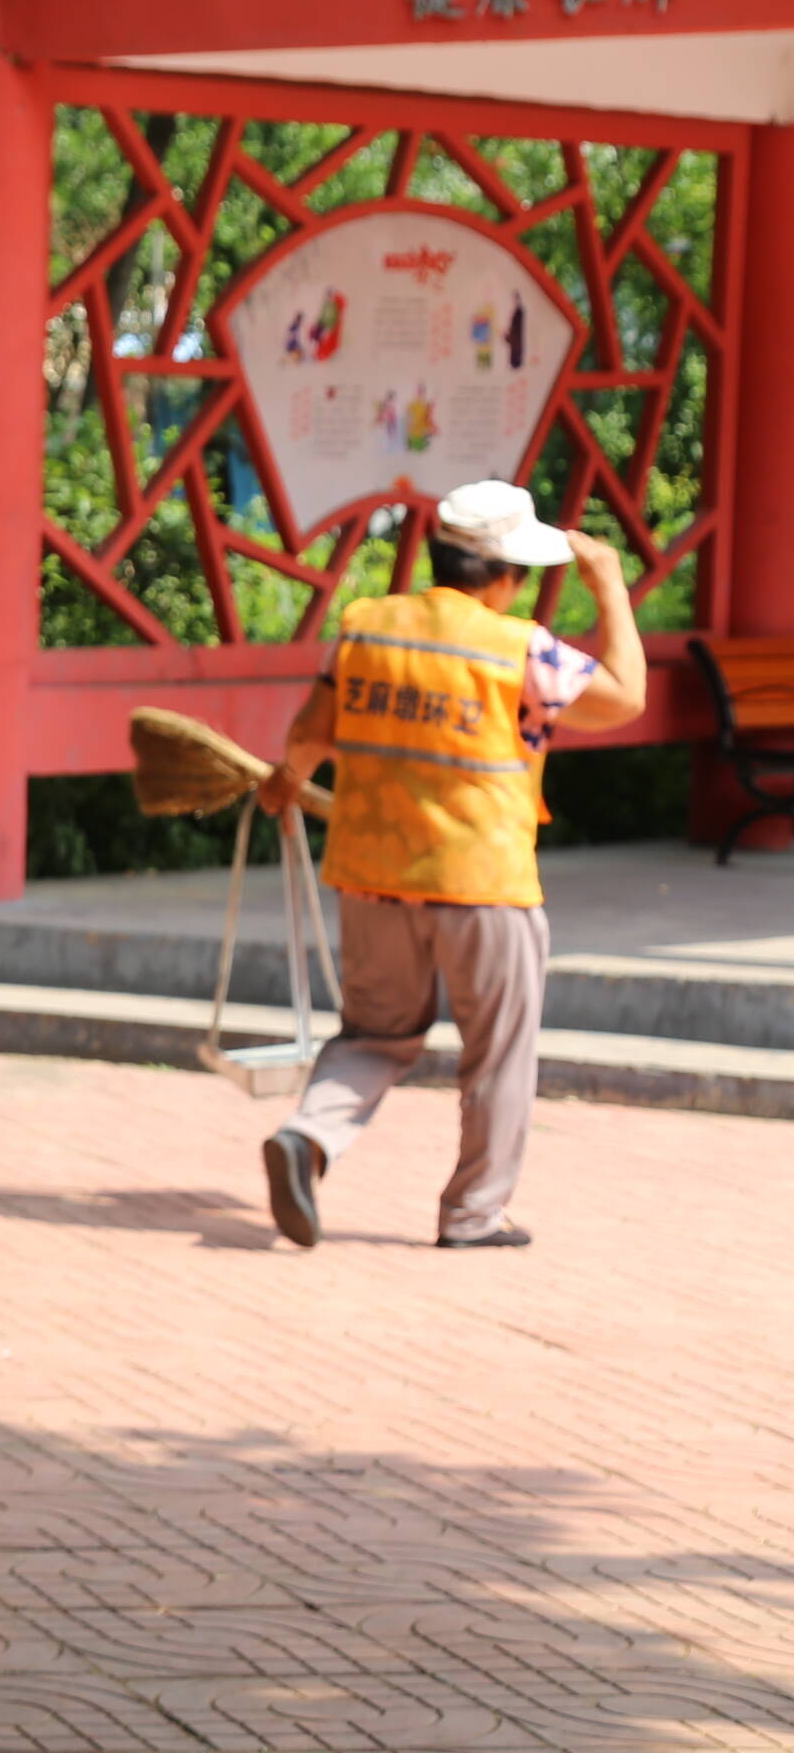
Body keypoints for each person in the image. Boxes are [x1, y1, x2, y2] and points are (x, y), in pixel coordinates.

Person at [255, 480, 647, 1250]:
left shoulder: (367, 628)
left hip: (371, 878)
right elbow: (625, 696)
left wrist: (285, 782)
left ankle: (309, 1134)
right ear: (506, 575)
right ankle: (473, 1215)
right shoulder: (521, 649)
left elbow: (309, 735)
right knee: (498, 1053)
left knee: (372, 1035)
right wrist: (609, 585)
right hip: (484, 885)